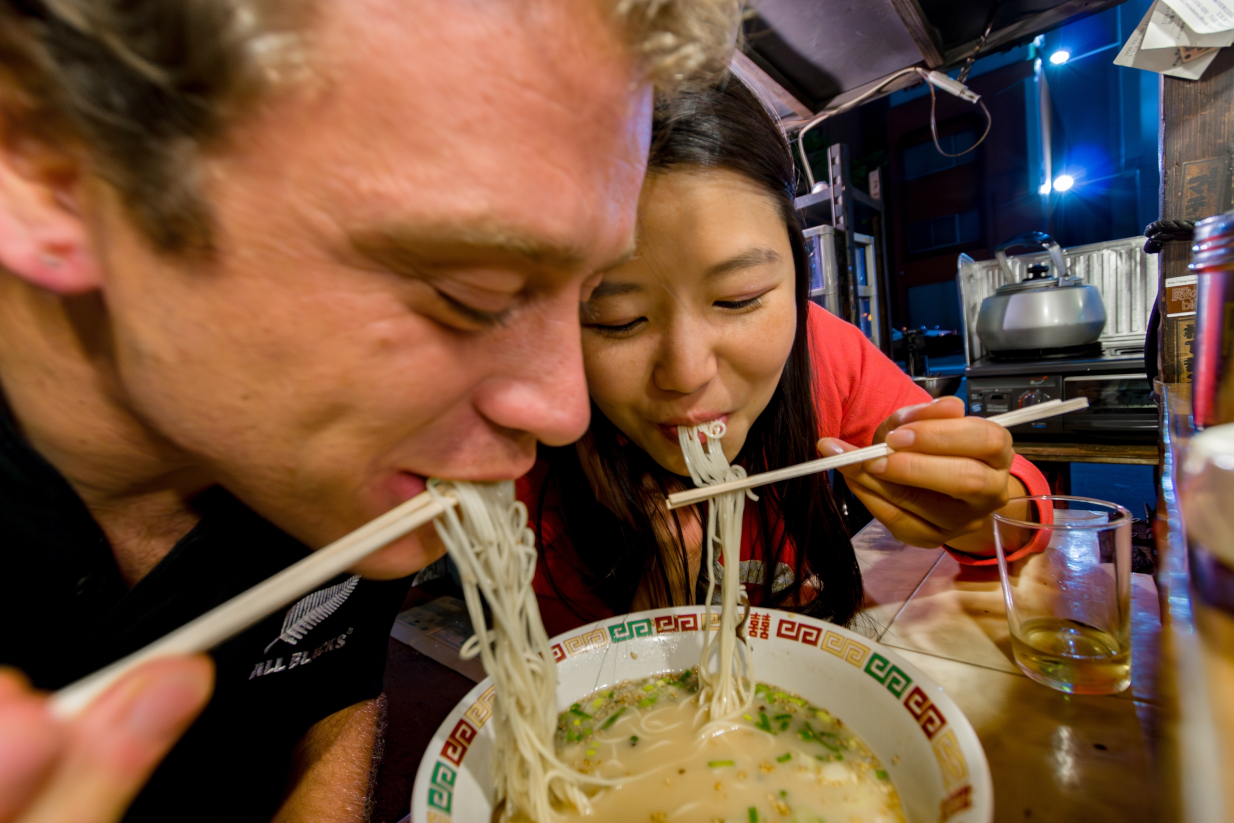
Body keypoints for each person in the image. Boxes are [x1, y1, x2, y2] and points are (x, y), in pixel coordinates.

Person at [0, 1, 740, 821]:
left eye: (591, 298)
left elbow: (330, 689)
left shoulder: (335, 461)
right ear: (53, 170)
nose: (565, 410)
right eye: (472, 292)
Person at [522, 77, 1050, 637]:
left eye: (739, 298)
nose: (685, 373)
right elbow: (579, 685)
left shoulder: (826, 352)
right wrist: (663, 589)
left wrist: (977, 510)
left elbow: (1021, 510)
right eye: (618, 321)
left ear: (798, 277)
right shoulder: (531, 449)